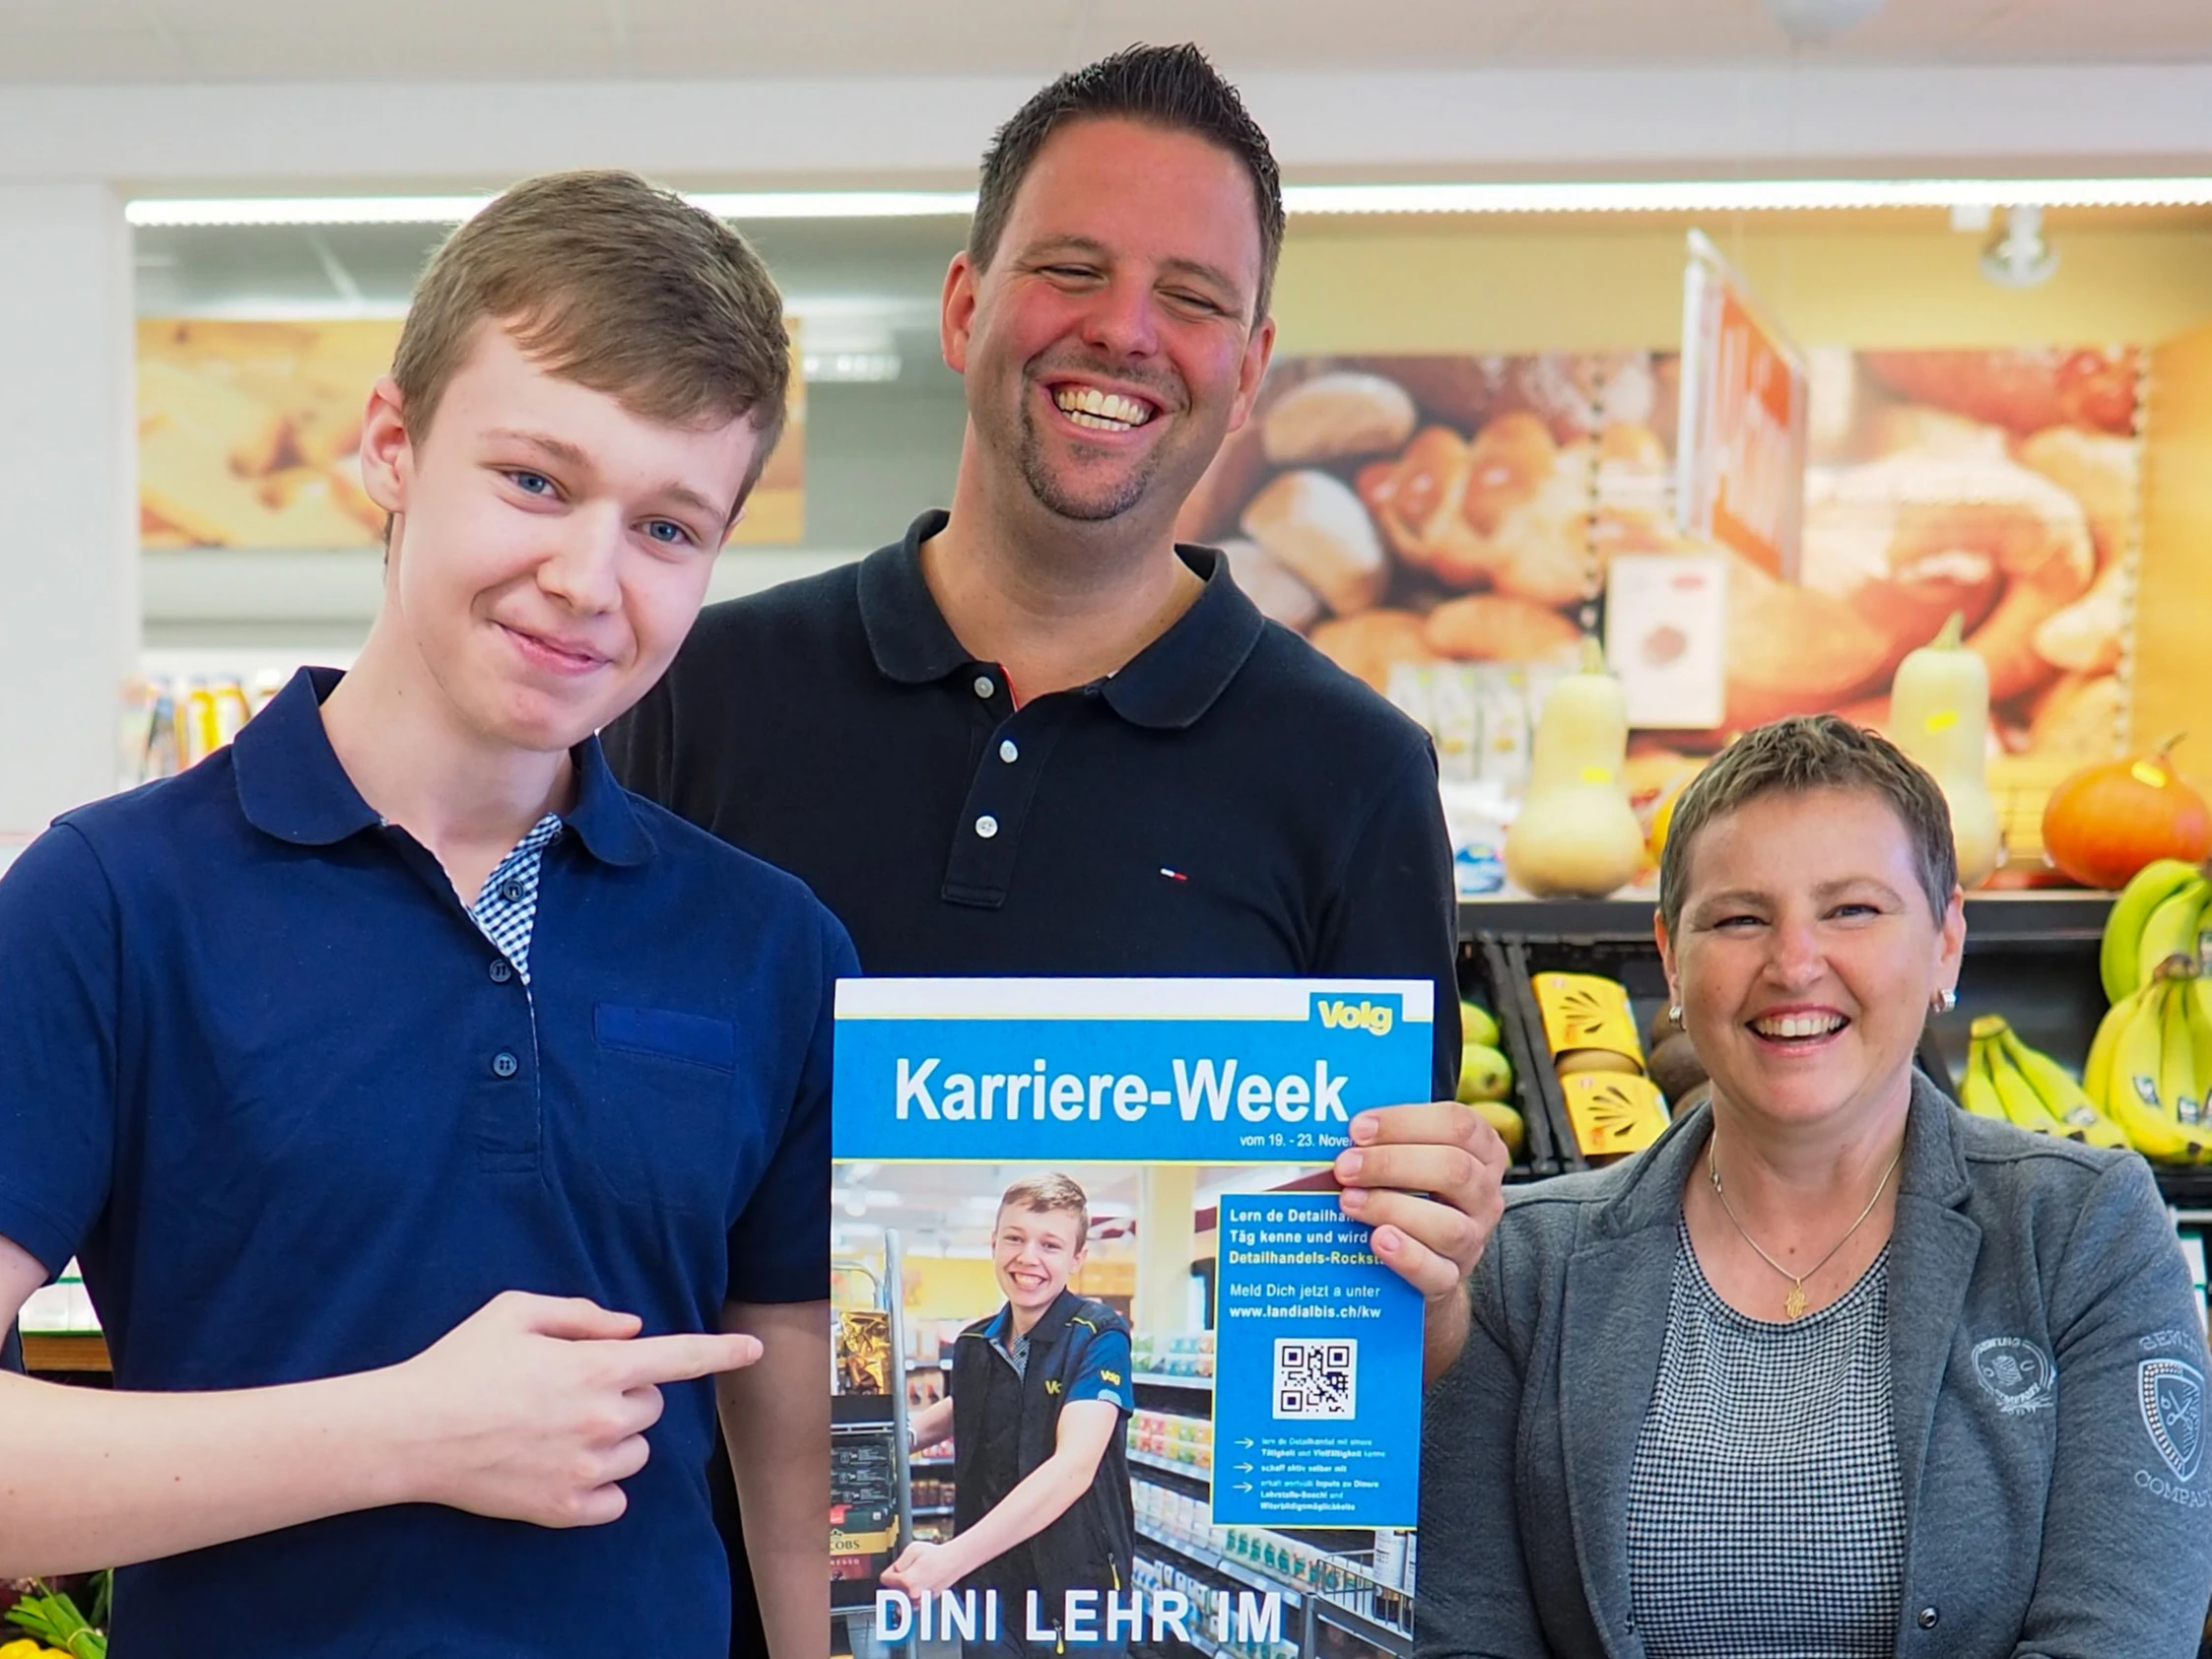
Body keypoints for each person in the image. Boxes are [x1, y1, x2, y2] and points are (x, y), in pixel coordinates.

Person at [604, 50, 1506, 1644]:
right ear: (966, 307)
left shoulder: (1355, 776)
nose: (1125, 331)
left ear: (1251, 361)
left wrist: (1428, 1270)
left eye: (1192, 295)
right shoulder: (692, 699)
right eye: (1071, 269)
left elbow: (1364, 1345)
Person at [0, 171, 845, 1657]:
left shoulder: (772, 951)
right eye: (535, 481)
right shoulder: (108, 903)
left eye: (666, 528)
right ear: (391, 446)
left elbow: (801, 1469)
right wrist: (411, 1433)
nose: (587, 582)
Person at [1418, 715, 2212, 1658]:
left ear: (1946, 942)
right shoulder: (1520, 1262)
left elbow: (2118, 1633)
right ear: (1671, 957)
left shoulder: (2082, 1229)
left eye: (1852, 911)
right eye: (1740, 918)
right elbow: (1461, 1638)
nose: (1793, 965)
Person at [888, 1174, 1135, 1655]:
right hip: (991, 1582)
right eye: (1015, 1238)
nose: (1029, 1258)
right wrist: (902, 1437)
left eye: (1051, 1244)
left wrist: (950, 1560)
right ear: (994, 1243)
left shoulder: (1098, 1336)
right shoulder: (975, 1342)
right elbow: (976, 1401)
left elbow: (1073, 1470)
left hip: (1076, 1584)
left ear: (1077, 1258)